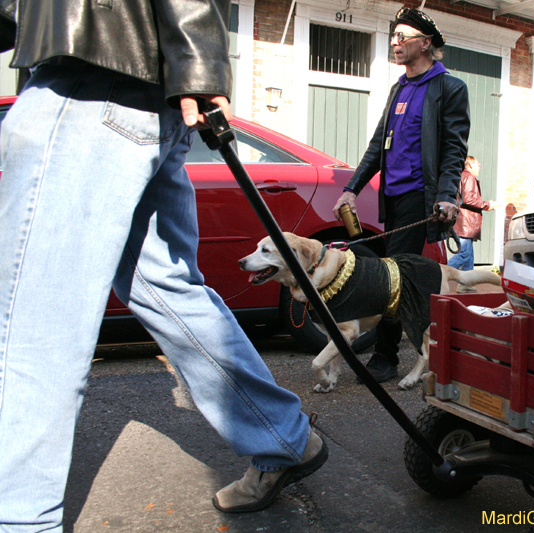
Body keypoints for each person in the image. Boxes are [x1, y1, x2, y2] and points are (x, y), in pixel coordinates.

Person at [0, 1, 327, 528]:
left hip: (86, 80)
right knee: (168, 289)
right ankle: (282, 435)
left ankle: (18, 519)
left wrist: (198, 60)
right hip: (146, 93)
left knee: (36, 321)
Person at [332, 7, 469, 383]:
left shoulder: (449, 88)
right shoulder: (399, 88)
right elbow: (379, 146)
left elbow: (453, 150)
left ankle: (386, 358)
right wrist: (351, 189)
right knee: (392, 272)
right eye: (394, 36)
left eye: (403, 36)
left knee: (393, 274)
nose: (395, 42)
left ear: (425, 43)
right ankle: (406, 347)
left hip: (418, 198)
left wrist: (446, 195)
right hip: (389, 198)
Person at [448, 156, 496, 276]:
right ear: (469, 165)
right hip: (465, 224)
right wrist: (487, 204)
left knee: (469, 258)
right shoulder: (469, 177)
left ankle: (466, 286)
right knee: (464, 254)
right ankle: (441, 274)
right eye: (477, 164)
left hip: (462, 223)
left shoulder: (460, 176)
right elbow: (468, 199)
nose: (480, 167)